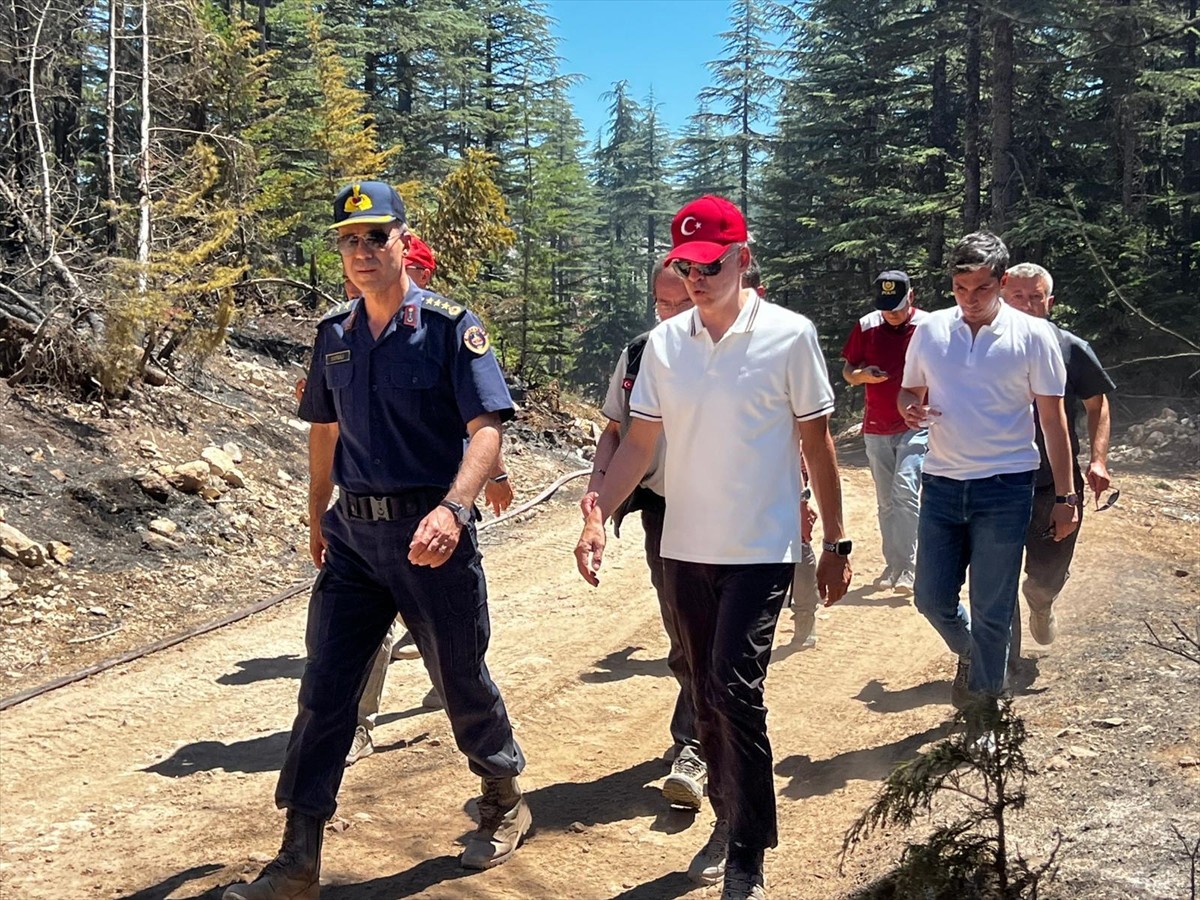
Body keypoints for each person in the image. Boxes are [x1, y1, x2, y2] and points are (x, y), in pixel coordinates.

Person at [224, 181, 529, 900]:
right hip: (354, 538)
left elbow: (487, 428)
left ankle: (503, 796)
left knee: (460, 678)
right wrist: (315, 514)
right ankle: (297, 856)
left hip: (432, 534)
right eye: (348, 240)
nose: (360, 251)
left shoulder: (453, 329)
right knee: (325, 690)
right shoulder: (333, 333)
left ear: (402, 240)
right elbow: (324, 428)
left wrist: (455, 509)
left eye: (374, 236)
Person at [574, 195, 852, 900]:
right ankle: (730, 817)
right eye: (683, 266)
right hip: (685, 549)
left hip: (761, 546)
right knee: (704, 700)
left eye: (710, 265)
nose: (696, 279)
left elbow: (817, 446)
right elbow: (639, 444)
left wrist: (836, 541)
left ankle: (747, 854)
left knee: (735, 691)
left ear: (743, 258)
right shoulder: (664, 346)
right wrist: (596, 512)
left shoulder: (791, 336)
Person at [346, 235, 514, 765]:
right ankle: (356, 724)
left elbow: (479, 424)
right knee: (363, 644)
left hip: (439, 511)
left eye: (417, 267)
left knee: (457, 661)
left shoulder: (446, 330)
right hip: (365, 529)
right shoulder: (344, 331)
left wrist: (489, 479)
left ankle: (484, 750)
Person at [898, 232, 1079, 716]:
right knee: (931, 597)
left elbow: (1053, 421)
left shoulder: (1034, 336)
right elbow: (909, 391)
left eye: (980, 288)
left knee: (992, 602)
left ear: (1000, 283)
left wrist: (1066, 496)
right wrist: (911, 409)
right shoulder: (931, 331)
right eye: (960, 288)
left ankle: (984, 704)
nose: (970, 299)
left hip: (1006, 486)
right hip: (940, 481)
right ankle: (971, 653)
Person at [581, 262, 706, 809]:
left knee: (717, 634)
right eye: (662, 304)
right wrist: (595, 509)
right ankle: (701, 729)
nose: (671, 317)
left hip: (730, 509)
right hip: (661, 506)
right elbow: (615, 433)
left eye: (683, 304)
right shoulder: (637, 354)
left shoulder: (736, 353)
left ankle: (700, 745)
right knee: (682, 628)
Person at [1002, 262, 1114, 659]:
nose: (1027, 304)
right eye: (1018, 296)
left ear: (1050, 302)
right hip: (997, 483)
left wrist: (1098, 460)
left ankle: (1042, 600)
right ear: (1001, 296)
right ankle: (999, 666)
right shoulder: (981, 350)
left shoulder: (1070, 347)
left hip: (1054, 483)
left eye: (1036, 297)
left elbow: (1097, 404)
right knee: (996, 578)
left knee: (1043, 578)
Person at [841, 271, 929, 594]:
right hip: (876, 426)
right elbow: (848, 371)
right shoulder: (867, 326)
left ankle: (908, 569)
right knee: (886, 501)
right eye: (886, 307)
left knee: (905, 490)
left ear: (912, 298)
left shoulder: (929, 327)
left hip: (915, 425)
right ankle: (893, 565)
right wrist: (862, 375)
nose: (891, 313)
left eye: (897, 306)